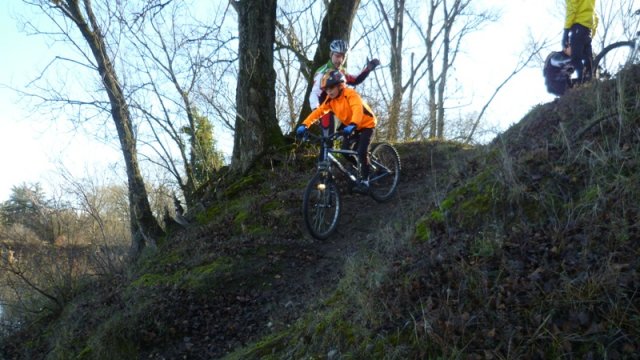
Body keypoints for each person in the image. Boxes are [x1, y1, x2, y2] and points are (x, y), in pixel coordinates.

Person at [297, 70, 377, 194]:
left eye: (331, 88)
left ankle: (366, 179)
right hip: (351, 126)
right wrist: (304, 124)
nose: (329, 91)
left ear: (340, 85)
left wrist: (353, 124)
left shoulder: (350, 94)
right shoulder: (330, 100)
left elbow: (357, 109)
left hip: (366, 124)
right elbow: (318, 112)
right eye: (326, 89)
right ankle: (360, 168)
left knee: (361, 151)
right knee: (345, 151)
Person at [309, 39, 379, 134]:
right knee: (327, 143)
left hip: (342, 109)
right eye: (337, 56)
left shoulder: (342, 71)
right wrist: (315, 109)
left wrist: (368, 69)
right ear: (331, 54)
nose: (340, 60)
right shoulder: (322, 72)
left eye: (343, 57)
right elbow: (314, 93)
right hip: (327, 109)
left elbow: (354, 80)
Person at [562, 0, 598, 84]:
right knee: (588, 60)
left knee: (575, 59)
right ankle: (590, 84)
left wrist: (566, 31)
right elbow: (595, 15)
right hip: (588, 29)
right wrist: (592, 33)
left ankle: (582, 85)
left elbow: (571, 9)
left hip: (578, 26)